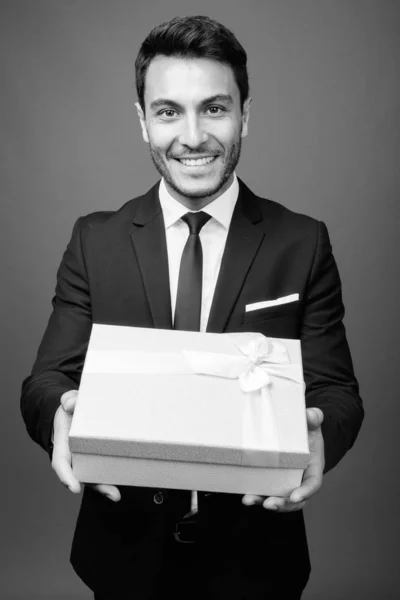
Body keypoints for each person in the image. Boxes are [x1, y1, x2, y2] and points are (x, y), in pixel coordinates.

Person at [21, 15, 364, 600]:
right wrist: (57, 412)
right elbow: (46, 380)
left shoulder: (301, 242)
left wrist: (321, 435)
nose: (194, 136)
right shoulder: (94, 240)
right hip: (123, 554)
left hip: (257, 558)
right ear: (143, 122)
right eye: (168, 111)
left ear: (245, 115)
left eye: (214, 108)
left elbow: (336, 392)